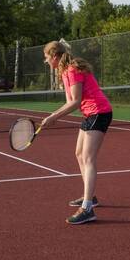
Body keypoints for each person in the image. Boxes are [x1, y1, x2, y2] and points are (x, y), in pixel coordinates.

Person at [41, 39, 112, 225]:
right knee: (79, 154)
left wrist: (54, 117)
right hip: (91, 113)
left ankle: (87, 208)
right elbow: (69, 101)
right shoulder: (64, 72)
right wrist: (53, 115)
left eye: (47, 58)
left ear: (55, 56)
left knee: (88, 159)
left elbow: (75, 101)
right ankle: (90, 196)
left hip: (99, 112)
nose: (46, 61)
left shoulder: (72, 70)